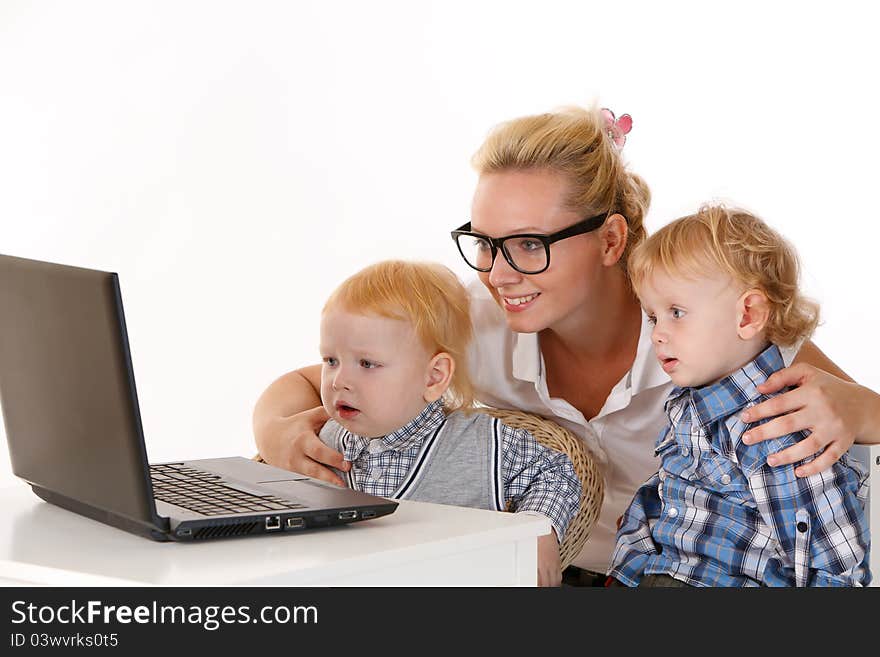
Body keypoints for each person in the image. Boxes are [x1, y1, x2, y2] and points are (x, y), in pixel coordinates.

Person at [252, 105, 880, 584]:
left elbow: (858, 411)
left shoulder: (709, 335)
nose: (498, 273)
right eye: (486, 242)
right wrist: (277, 431)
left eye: (530, 244)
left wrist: (853, 408)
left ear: (611, 242)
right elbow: (313, 382)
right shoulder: (474, 323)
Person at [607, 205, 870, 587]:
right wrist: (625, 572)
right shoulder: (689, 404)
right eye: (653, 317)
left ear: (748, 315)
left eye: (676, 312)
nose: (657, 334)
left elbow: (831, 554)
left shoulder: (775, 425)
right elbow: (662, 500)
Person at [315, 259, 581, 586]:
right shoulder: (327, 441)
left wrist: (538, 530)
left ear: (434, 377)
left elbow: (555, 472)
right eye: (331, 360)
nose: (339, 381)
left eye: (367, 363)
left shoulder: (487, 444)